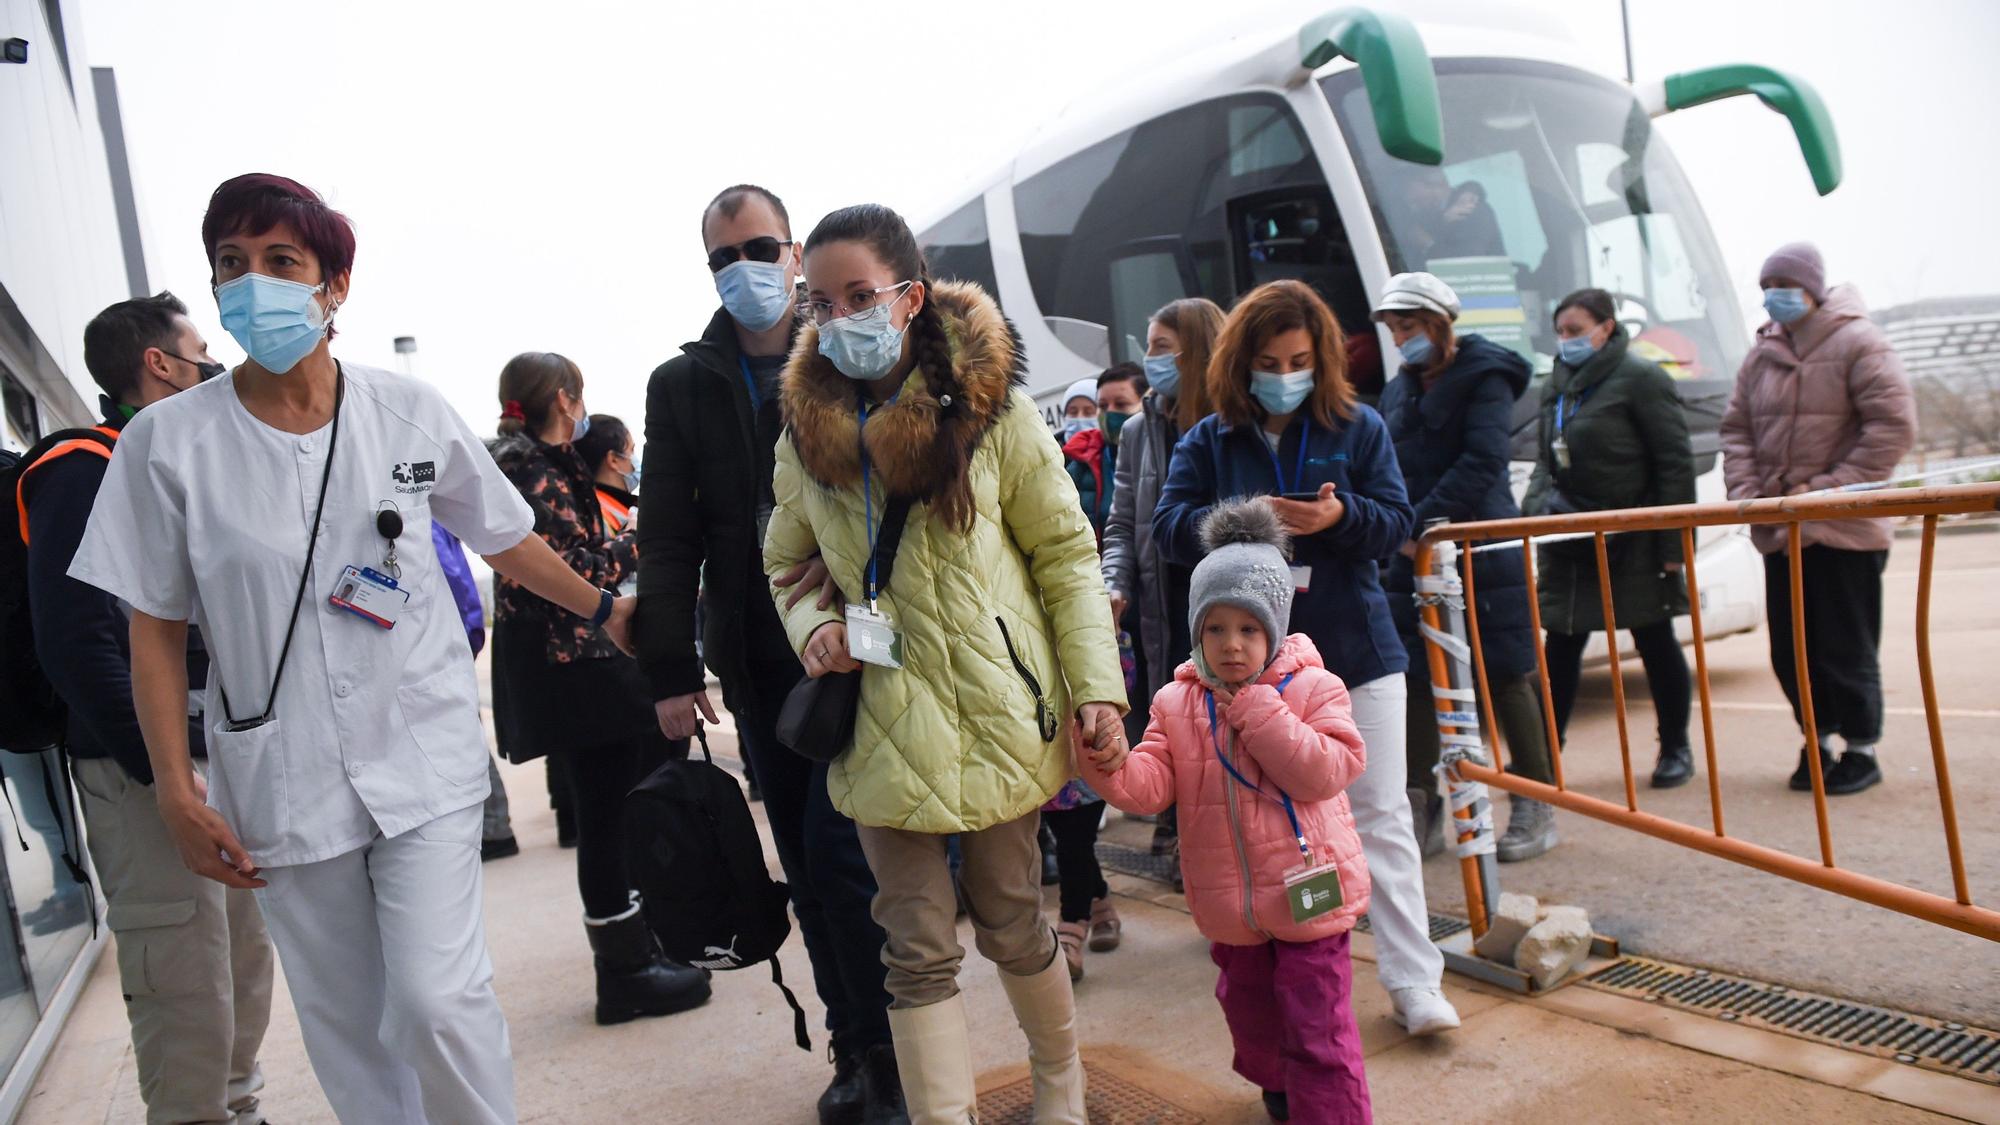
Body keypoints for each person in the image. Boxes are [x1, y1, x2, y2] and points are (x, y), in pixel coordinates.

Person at [70, 172, 632, 1124]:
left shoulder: (404, 411)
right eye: (231, 266)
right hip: (283, 779)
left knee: (434, 1002)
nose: (254, 284)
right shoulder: (165, 446)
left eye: (281, 261)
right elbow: (155, 630)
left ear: (333, 285)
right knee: (352, 1030)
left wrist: (606, 608)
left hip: (422, 756)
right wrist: (174, 787)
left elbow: (506, 538)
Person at [763, 203, 1125, 1123]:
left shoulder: (991, 412)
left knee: (1011, 916)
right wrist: (814, 627)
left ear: (910, 295)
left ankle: (1061, 1087)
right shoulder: (806, 436)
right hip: (880, 714)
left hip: (992, 705)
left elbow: (1065, 553)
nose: (837, 316)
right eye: (820, 300)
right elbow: (783, 559)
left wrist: (1096, 689)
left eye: (859, 296)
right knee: (913, 944)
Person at [636, 184, 903, 1125]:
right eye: (720, 256)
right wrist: (670, 670)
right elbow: (665, 535)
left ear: (793, 252)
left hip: (864, 645)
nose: (740, 268)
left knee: (853, 860)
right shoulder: (682, 384)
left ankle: (899, 1044)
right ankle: (858, 1044)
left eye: (757, 247)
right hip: (760, 656)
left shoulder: (841, 351)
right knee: (807, 855)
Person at [1155, 278, 1461, 1037]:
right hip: (1248, 672)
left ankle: (1414, 979)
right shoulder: (1209, 438)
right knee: (1267, 824)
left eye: (1296, 358)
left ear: (1320, 357)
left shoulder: (1356, 427)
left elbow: (1396, 522)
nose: (1282, 371)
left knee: (1381, 813)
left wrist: (1338, 513)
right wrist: (1247, 527)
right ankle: (1289, 980)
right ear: (1239, 361)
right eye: (1266, 358)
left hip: (1354, 650)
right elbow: (1168, 525)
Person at [23, 291, 277, 1124]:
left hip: (202, 752)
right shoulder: (81, 468)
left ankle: (235, 1108)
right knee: (182, 968)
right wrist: (167, 772)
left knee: (240, 957)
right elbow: (75, 638)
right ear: (160, 364)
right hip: (143, 770)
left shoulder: (170, 460)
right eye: (201, 350)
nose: (216, 366)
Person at [1083, 499, 1372, 1125]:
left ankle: (1328, 1111)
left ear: (1276, 627)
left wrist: (1261, 711)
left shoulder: (1313, 688)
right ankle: (1278, 1085)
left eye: (1249, 628)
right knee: (1250, 1012)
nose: (1232, 645)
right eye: (1215, 629)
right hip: (1232, 909)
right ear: (1196, 630)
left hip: (1311, 901)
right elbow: (1151, 787)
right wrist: (1104, 758)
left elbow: (1328, 771)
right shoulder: (1175, 702)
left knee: (1318, 1028)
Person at [486, 353, 711, 1028]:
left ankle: (634, 953)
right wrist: (640, 541)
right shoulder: (529, 464)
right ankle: (625, 970)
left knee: (610, 810)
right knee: (606, 814)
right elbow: (561, 564)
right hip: (573, 661)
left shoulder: (527, 460)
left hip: (576, 659)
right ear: (563, 397)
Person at [1374, 272, 1560, 862]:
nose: (1402, 338)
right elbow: (1388, 465)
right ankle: (1423, 803)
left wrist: (1421, 524)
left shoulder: (1486, 375)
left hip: (1480, 546)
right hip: (1413, 552)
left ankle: (1535, 800)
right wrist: (1400, 528)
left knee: (1505, 670)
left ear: (1439, 322)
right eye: (1394, 328)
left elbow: (1484, 460)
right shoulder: (1397, 389)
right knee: (1416, 675)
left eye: (1409, 326)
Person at [1720, 243, 1916, 795]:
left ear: (1814, 287)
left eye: (1784, 283)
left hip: (1842, 528)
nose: (1773, 295)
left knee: (1843, 645)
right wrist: (1750, 493)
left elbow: (1892, 428)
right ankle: (1818, 740)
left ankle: (1861, 749)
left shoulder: (1860, 342)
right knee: (1792, 650)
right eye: (1765, 286)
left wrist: (1824, 493)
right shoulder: (1762, 354)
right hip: (1784, 531)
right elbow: (1736, 430)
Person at [1524, 288, 1698, 789]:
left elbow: (1674, 463)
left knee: (1654, 638)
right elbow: (1545, 461)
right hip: (1568, 535)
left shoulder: (1641, 378)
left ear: (1607, 327)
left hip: (1632, 538)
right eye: (1560, 332)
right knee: (1561, 642)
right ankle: (1544, 758)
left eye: (1575, 331)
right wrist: (1536, 513)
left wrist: (1671, 547)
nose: (1566, 341)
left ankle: (1675, 748)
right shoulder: (1557, 383)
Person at [1106, 298, 1224, 873]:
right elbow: (1123, 520)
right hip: (1163, 598)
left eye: (1160, 347)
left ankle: (1219, 838)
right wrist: (1114, 583)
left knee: (1231, 715)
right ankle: (1178, 828)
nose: (1148, 359)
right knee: (1178, 714)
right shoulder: (1138, 428)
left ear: (1196, 350)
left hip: (1224, 599)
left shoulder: (1233, 419)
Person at [1042, 364, 1148, 980]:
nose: (1098, 417)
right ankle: (1092, 899)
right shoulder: (1061, 464)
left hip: (1112, 639)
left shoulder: (1136, 464)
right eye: (1088, 406)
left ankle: (1075, 915)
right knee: (1063, 786)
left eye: (1112, 404)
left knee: (1092, 769)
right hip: (1049, 636)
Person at [430, 519, 519, 862]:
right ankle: (493, 825)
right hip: (451, 643)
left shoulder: (427, 525)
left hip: (441, 649)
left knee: (463, 739)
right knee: (464, 738)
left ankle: (494, 827)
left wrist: (463, 640)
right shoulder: (437, 522)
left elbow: (455, 586)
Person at [575, 415, 639, 538]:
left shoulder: (586, 504)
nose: (635, 459)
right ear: (613, 460)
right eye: (631, 450)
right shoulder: (608, 514)